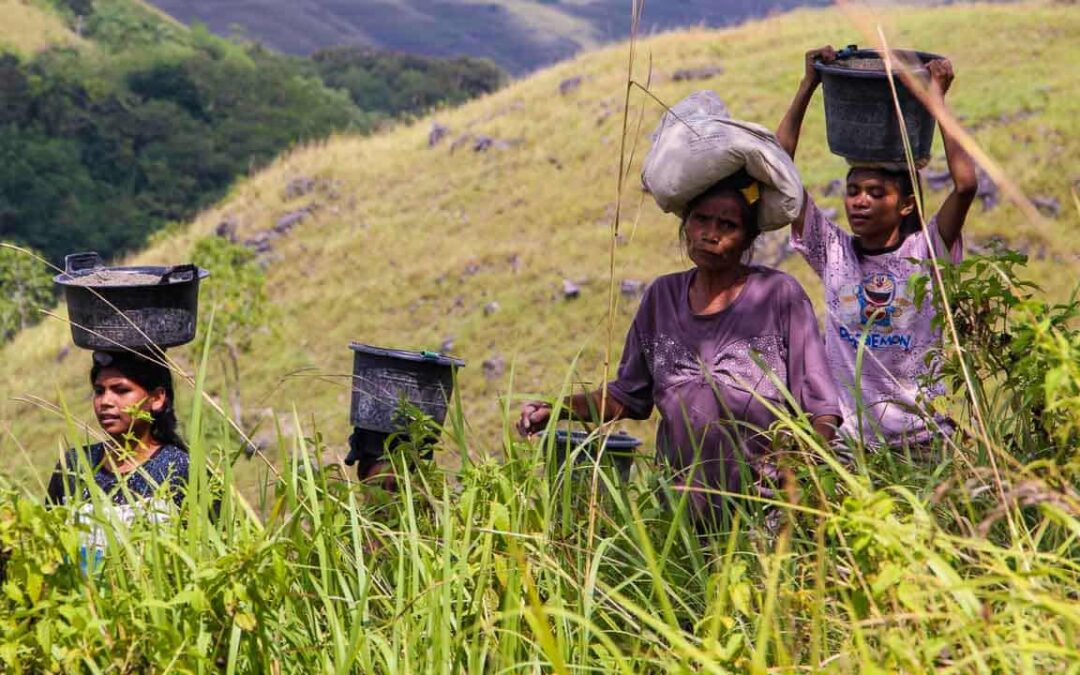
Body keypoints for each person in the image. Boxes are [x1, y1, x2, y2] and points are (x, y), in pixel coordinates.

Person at [519, 174, 842, 525]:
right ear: (685, 225)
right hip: (680, 516)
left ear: (748, 238)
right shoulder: (662, 297)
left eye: (727, 225)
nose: (711, 233)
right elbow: (628, 395)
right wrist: (557, 409)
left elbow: (820, 408)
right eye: (701, 219)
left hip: (765, 509)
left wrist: (799, 476)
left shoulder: (778, 294)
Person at [776, 47, 978, 450]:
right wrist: (808, 85)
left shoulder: (927, 251)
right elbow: (777, 172)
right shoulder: (833, 251)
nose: (859, 201)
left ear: (905, 203)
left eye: (874, 193)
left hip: (920, 439)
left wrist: (935, 99)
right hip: (849, 443)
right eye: (852, 192)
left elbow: (966, 185)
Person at [47, 351, 191, 569]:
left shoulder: (180, 467)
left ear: (157, 398)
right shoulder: (76, 465)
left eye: (121, 390)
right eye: (99, 391)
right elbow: (46, 543)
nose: (105, 401)